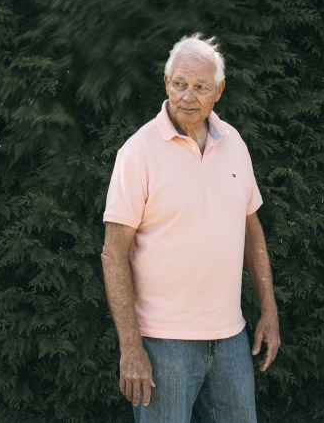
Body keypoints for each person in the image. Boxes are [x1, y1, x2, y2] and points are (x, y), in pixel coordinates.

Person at [101, 34, 280, 422]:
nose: (188, 96)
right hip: (163, 343)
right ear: (166, 83)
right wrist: (130, 346)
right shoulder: (138, 152)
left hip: (230, 339)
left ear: (219, 91)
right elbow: (113, 253)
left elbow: (252, 231)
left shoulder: (234, 143)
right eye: (180, 84)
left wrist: (269, 310)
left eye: (200, 87)